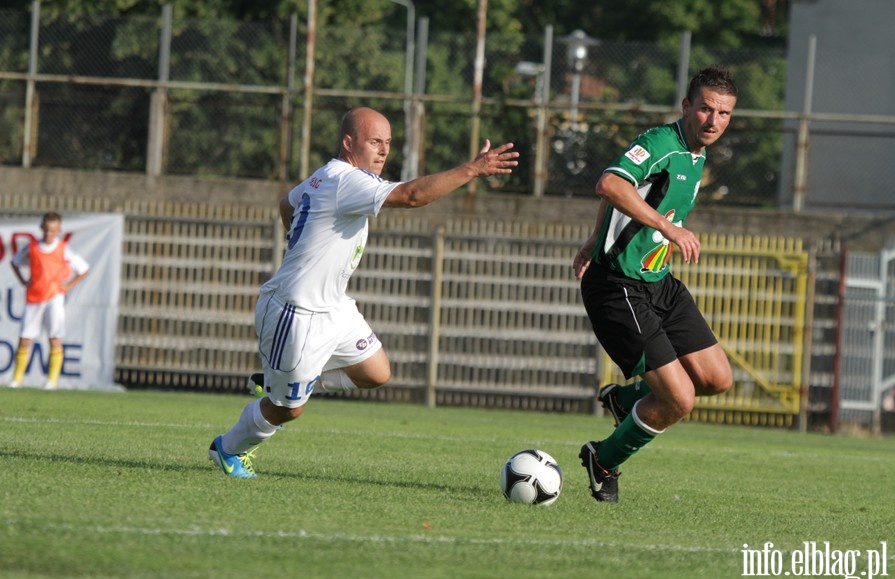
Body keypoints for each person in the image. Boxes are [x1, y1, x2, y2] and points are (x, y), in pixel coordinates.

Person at [209, 106, 519, 478]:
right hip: (299, 312)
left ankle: (279, 382)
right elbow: (413, 195)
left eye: (388, 143)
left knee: (375, 371)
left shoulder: (326, 176)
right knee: (288, 410)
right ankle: (228, 448)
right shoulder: (347, 181)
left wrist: (300, 244)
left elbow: (286, 204)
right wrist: (473, 169)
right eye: (375, 142)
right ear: (348, 142)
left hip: (332, 308)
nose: (384, 151)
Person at [571, 66, 737, 502]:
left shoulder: (698, 154)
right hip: (618, 288)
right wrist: (668, 226)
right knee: (679, 401)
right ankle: (602, 459)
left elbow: (631, 193)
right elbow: (610, 182)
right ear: (686, 106)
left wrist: (595, 235)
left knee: (717, 379)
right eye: (705, 108)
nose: (713, 120)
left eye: (723, 113)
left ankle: (627, 402)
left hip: (659, 283)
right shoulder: (660, 144)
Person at [9, 212, 91, 390]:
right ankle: (17, 379)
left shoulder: (64, 249)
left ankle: (52, 381)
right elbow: (15, 262)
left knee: (55, 337)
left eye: (53, 231)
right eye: (47, 230)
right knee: (25, 338)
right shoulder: (32, 248)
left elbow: (84, 269)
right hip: (34, 297)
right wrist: (23, 281)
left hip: (54, 297)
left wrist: (68, 285)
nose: (49, 234)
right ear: (42, 229)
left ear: (58, 230)